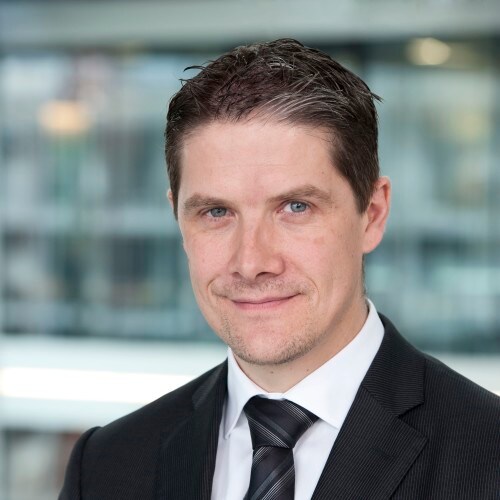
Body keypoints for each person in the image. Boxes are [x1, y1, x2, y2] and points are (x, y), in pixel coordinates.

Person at [59, 39, 499, 500]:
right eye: (216, 212)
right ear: (178, 221)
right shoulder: (107, 465)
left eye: (295, 207)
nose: (251, 263)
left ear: (372, 214)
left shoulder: (488, 460)